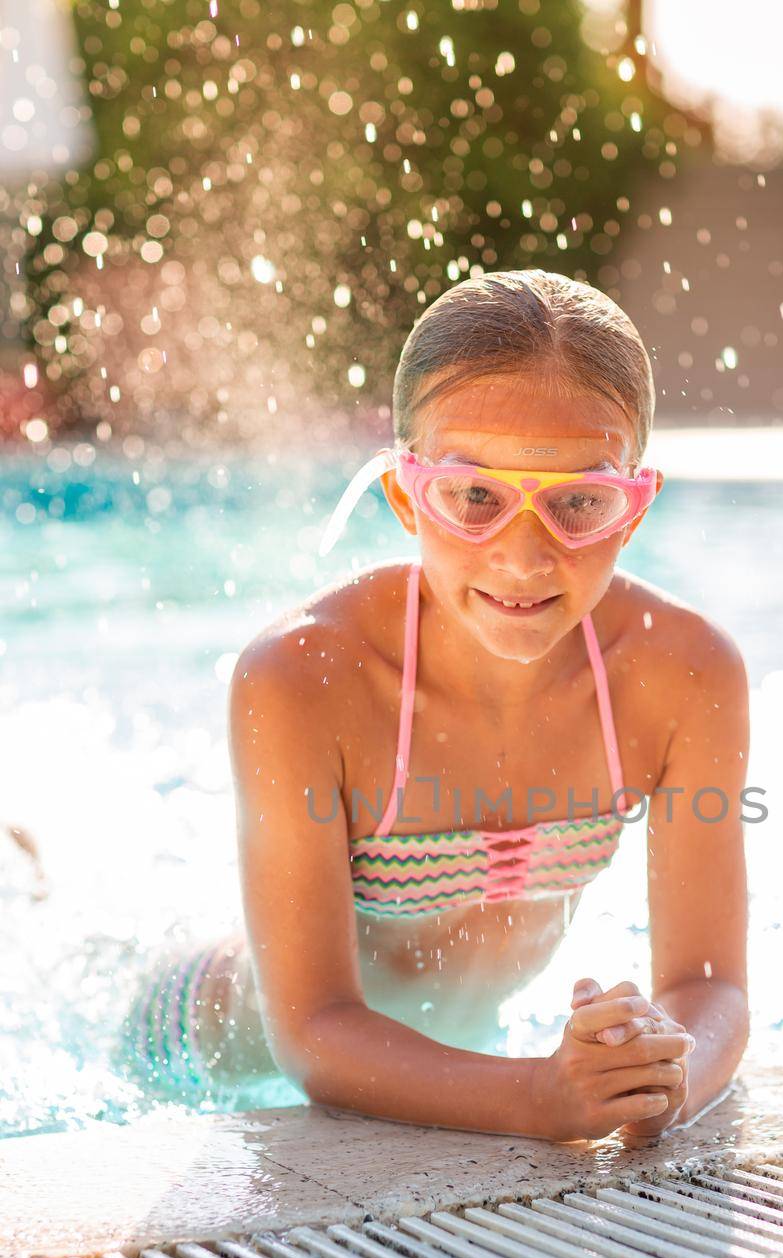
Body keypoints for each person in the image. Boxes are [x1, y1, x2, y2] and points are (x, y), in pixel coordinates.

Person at [121, 268, 750, 1145]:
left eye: (579, 502)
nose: (524, 559)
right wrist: (539, 1098)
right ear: (405, 497)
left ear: (631, 512)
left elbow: (712, 984)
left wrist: (662, 1074)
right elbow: (311, 1034)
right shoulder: (304, 679)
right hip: (201, 1051)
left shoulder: (684, 674)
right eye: (474, 497)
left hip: (443, 1058)